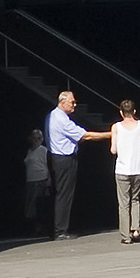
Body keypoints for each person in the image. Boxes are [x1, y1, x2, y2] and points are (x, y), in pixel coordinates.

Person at [45, 90, 111, 239]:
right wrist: (111, 134)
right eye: (72, 102)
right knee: (64, 195)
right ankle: (60, 231)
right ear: (63, 103)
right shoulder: (62, 120)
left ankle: (57, 228)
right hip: (64, 159)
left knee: (60, 194)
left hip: (56, 157)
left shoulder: (52, 115)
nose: (75, 105)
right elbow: (85, 136)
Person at [111, 100, 140, 244]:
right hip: (138, 168)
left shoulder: (116, 127)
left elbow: (113, 149)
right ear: (134, 111)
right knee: (135, 199)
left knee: (124, 203)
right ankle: (135, 229)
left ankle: (125, 235)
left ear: (121, 112)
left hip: (122, 169)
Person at [23, 129, 50, 235]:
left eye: (39, 138)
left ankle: (41, 228)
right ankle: (36, 228)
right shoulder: (30, 151)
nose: (36, 140)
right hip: (31, 180)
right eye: (34, 138)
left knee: (38, 205)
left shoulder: (43, 150)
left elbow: (48, 164)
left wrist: (49, 179)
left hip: (41, 179)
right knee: (31, 205)